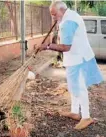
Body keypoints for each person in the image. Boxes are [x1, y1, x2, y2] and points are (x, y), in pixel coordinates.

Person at [37, 1, 104, 130]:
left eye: (54, 14)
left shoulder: (68, 22)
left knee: (80, 87)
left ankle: (86, 117)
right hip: (76, 58)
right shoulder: (69, 16)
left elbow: (65, 47)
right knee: (74, 86)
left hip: (79, 60)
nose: (53, 17)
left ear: (61, 10)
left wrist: (47, 46)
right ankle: (74, 111)